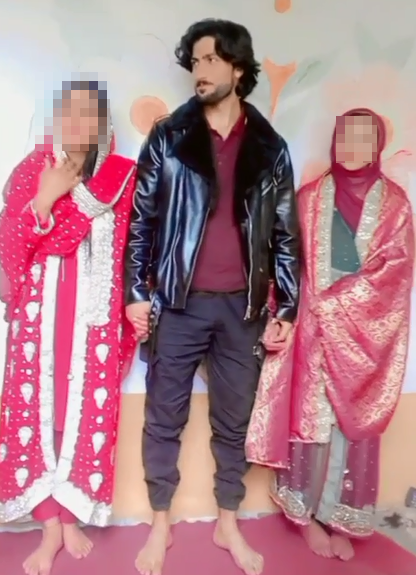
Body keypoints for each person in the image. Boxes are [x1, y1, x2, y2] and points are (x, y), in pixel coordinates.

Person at [124, 18, 301, 575]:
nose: (198, 71)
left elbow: (286, 233)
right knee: (163, 417)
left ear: (238, 69)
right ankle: (160, 525)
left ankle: (228, 524)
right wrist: (136, 293)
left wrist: (287, 306)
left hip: (242, 309)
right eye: (194, 61)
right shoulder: (170, 137)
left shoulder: (270, 147)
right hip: (178, 303)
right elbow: (141, 221)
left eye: (210, 60)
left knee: (235, 421)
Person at [246, 108, 415, 561]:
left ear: (377, 146)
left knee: (351, 422)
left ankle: (339, 515)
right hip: (312, 327)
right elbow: (286, 263)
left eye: (363, 138)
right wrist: (282, 311)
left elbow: (395, 273)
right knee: (313, 419)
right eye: (345, 136)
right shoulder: (308, 199)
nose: (352, 147)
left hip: (363, 332)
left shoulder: (396, 205)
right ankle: (307, 518)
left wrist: (339, 303)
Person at [0, 80, 137, 575]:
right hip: (41, 320)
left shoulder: (122, 177)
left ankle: (72, 515)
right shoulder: (33, 169)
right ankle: (48, 525)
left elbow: (134, 249)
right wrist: (45, 198)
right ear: (56, 119)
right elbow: (11, 249)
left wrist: (136, 306)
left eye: (88, 113)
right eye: (68, 112)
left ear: (102, 124)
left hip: (94, 322)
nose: (77, 122)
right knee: (38, 412)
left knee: (81, 415)